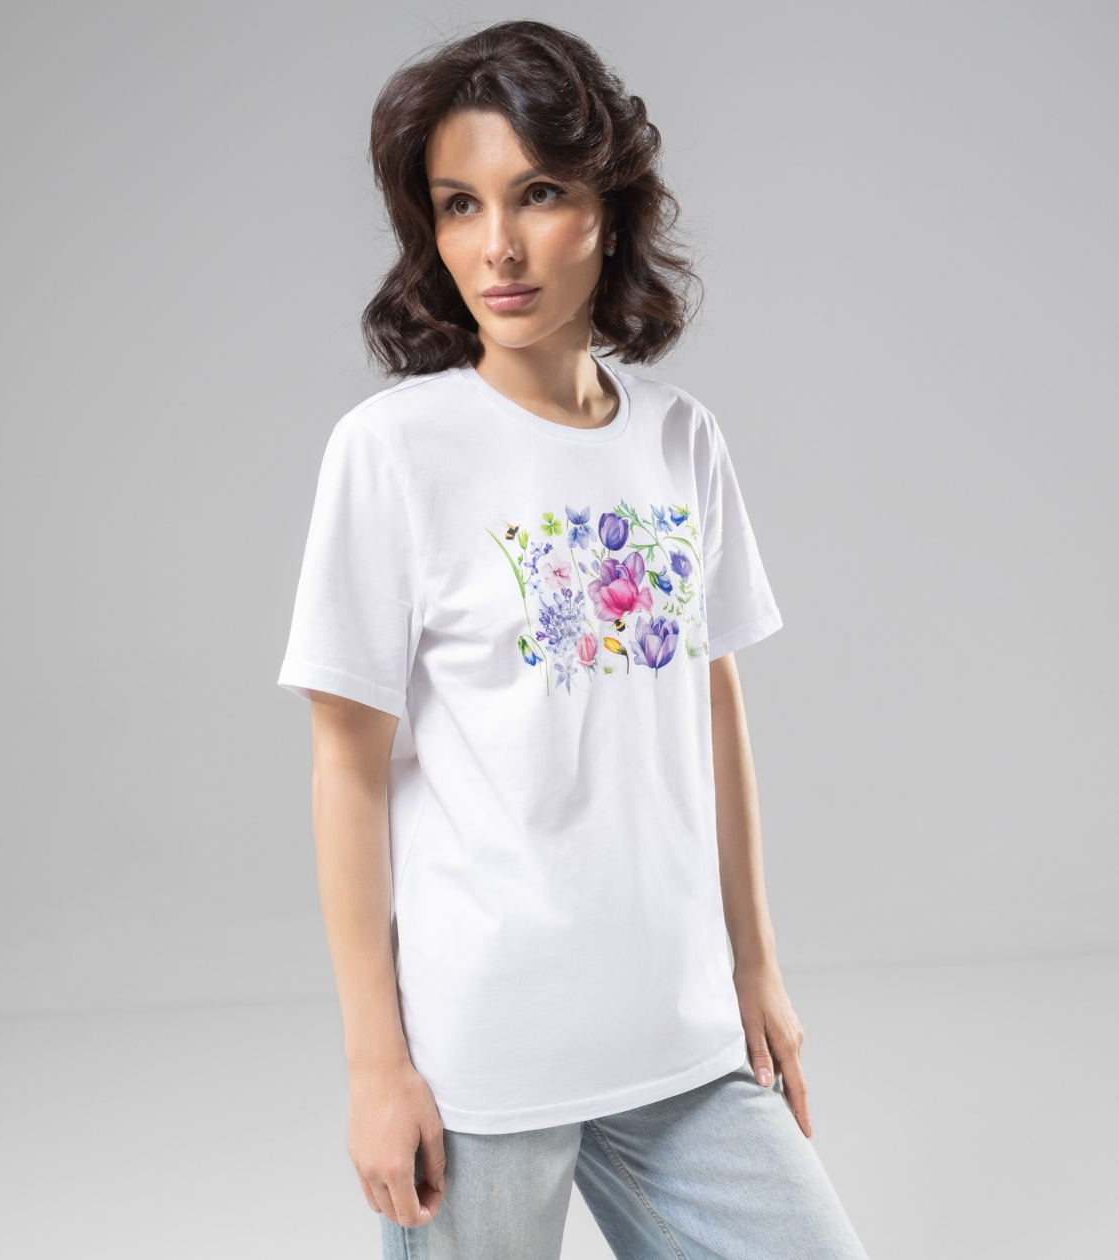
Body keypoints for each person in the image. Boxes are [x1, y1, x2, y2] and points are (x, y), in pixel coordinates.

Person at [278, 20, 868, 1260]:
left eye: (537, 193)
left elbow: (713, 707)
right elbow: (346, 766)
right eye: (459, 204)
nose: (496, 246)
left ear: (610, 207)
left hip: (678, 1036)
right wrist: (376, 1065)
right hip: (484, 1058)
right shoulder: (393, 454)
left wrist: (755, 965)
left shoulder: (680, 438)